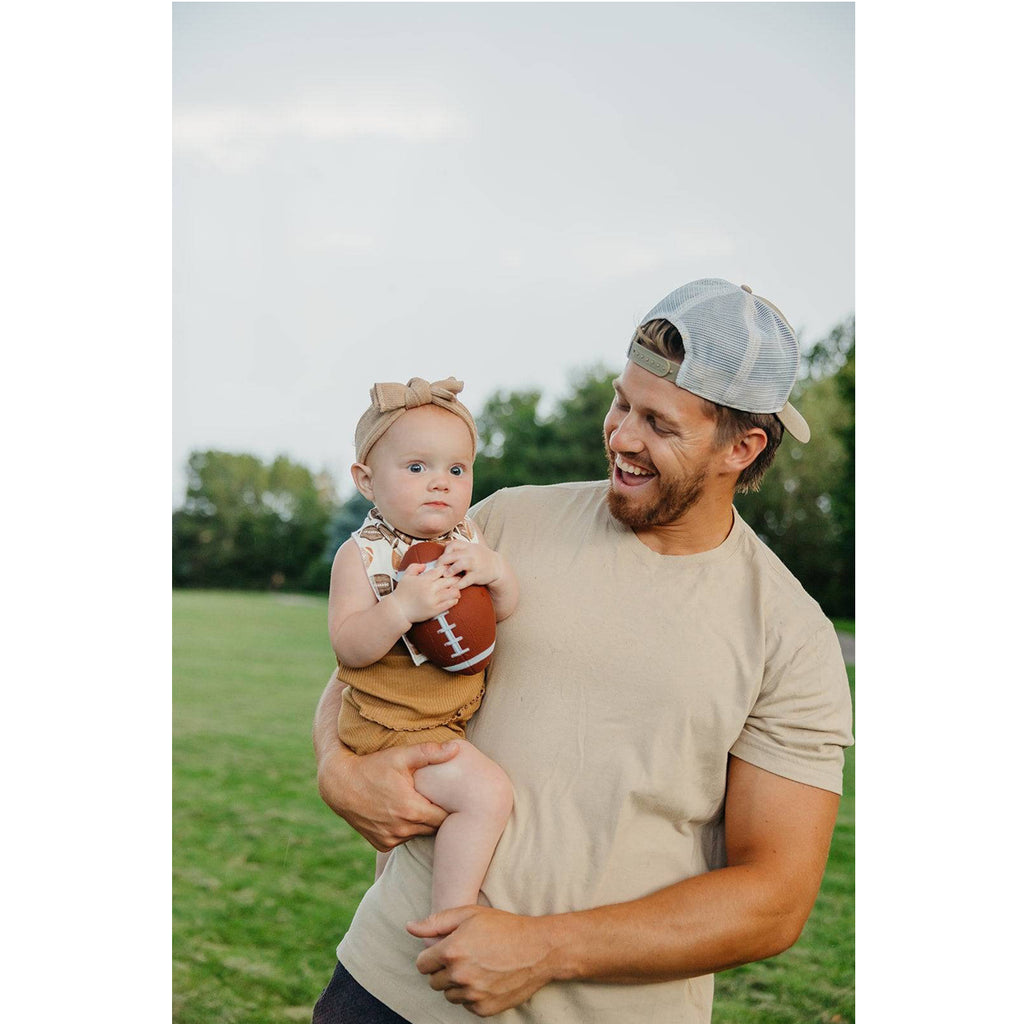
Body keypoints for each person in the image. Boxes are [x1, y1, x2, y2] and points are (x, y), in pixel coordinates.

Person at [311, 278, 854, 1024]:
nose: (622, 436)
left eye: (659, 423)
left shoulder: (791, 637)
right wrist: (337, 769)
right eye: (621, 403)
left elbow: (773, 901)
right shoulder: (500, 524)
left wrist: (546, 948)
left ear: (743, 447)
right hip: (390, 991)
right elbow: (360, 668)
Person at [329, 375, 518, 922]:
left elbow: (498, 614)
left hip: (443, 718)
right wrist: (399, 609)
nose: (440, 483)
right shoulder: (361, 556)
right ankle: (451, 920)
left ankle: (386, 910)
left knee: (400, 852)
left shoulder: (468, 538)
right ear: (366, 479)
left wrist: (497, 573)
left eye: (456, 470)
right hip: (392, 724)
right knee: (486, 795)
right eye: (417, 468)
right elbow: (349, 648)